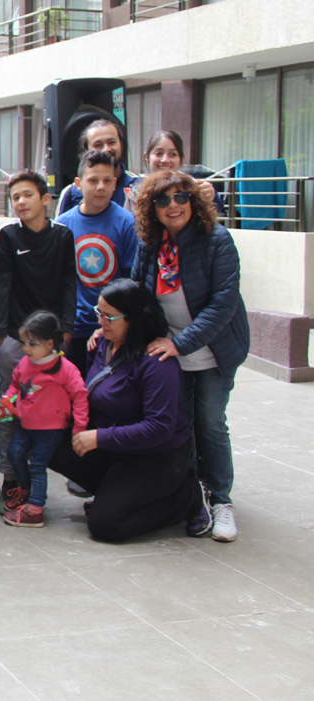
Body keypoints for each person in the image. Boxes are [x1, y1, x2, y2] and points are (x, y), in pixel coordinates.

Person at [130, 171, 249, 543]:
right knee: (181, 426)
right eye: (163, 200)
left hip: (213, 350)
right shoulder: (150, 244)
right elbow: (138, 295)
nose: (173, 205)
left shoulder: (218, 239)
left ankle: (222, 500)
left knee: (211, 423)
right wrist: (112, 323)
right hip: (170, 353)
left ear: (194, 201)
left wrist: (180, 344)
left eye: (181, 197)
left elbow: (223, 305)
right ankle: (194, 498)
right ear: (152, 208)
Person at [48, 280, 212, 543]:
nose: (100, 322)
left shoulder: (157, 362)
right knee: (48, 440)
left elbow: (159, 428)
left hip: (155, 457)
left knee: (105, 525)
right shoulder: (102, 343)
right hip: (115, 448)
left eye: (109, 317)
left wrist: (99, 437)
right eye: (99, 313)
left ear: (134, 318)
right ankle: (116, 494)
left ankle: (188, 497)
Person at [0, 170, 77, 513]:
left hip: (53, 344)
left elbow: (70, 284)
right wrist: (1, 337)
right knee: (11, 413)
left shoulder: (63, 236)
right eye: (15, 197)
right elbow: (2, 286)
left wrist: (66, 330)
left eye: (27, 195)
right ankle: (11, 481)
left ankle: (37, 482)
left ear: (45, 200)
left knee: (48, 413)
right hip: (15, 339)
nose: (21, 202)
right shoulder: (8, 236)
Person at [0, 311, 89, 528]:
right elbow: (15, 384)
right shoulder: (25, 363)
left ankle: (35, 510)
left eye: (33, 343)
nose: (26, 348)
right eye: (24, 342)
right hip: (26, 424)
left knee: (37, 466)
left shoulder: (66, 369)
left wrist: (80, 427)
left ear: (50, 344)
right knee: (15, 453)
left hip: (51, 429)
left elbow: (80, 397)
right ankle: (27, 491)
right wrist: (7, 399)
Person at [55, 150, 139, 371]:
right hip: (73, 329)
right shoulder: (63, 224)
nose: (101, 186)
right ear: (78, 184)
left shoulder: (128, 223)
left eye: (107, 181)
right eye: (93, 180)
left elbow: (130, 280)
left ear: (115, 184)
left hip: (114, 329)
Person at [55, 119, 141, 215]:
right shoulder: (71, 193)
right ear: (86, 150)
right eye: (98, 145)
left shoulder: (140, 186)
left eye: (111, 142)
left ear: (121, 145)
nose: (106, 149)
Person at [140, 130, 224, 211]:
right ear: (147, 157)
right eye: (159, 153)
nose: (165, 160)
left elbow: (216, 212)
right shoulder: (136, 188)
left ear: (181, 159)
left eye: (173, 154)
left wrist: (213, 197)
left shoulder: (193, 188)